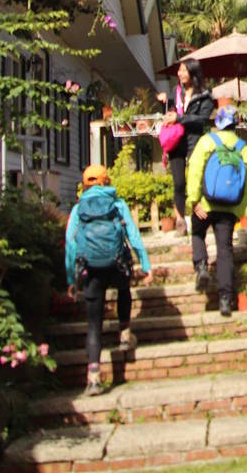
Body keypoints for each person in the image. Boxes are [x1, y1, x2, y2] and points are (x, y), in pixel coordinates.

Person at [65, 164, 153, 395]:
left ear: (85, 185)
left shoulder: (78, 209)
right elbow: (132, 235)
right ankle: (124, 332)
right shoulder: (117, 204)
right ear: (106, 181)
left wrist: (71, 279)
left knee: (94, 324)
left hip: (91, 269)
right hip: (116, 264)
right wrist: (145, 264)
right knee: (124, 288)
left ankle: (93, 377)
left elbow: (70, 244)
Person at [185, 106, 247, 316]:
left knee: (197, 233)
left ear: (218, 123)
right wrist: (239, 211)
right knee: (225, 250)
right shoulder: (243, 147)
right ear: (235, 123)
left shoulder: (207, 141)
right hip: (229, 207)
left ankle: (202, 266)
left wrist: (193, 201)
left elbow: (195, 170)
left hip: (205, 204)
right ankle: (225, 300)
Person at [157, 57, 214, 233]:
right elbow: (171, 113)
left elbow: (203, 120)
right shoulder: (176, 91)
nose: (180, 73)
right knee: (179, 183)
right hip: (176, 141)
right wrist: (164, 105)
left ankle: (205, 217)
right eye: (179, 70)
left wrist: (180, 118)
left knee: (199, 179)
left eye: (183, 70)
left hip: (194, 141)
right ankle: (181, 221)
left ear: (193, 72)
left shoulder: (205, 95)